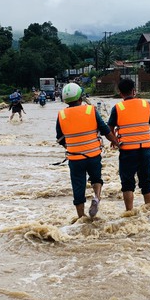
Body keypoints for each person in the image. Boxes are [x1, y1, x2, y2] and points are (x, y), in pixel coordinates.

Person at [56, 82, 118, 219]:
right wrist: (115, 142)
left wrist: (70, 147)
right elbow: (106, 131)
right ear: (80, 97)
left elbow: (60, 138)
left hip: (75, 158)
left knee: (78, 186)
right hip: (93, 155)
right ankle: (96, 197)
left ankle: (81, 218)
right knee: (96, 179)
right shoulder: (91, 110)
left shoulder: (61, 115)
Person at [108, 78, 150, 211]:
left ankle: (129, 212)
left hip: (127, 151)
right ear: (134, 91)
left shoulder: (117, 108)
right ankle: (149, 211)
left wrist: (114, 140)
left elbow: (109, 128)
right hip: (145, 150)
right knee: (146, 183)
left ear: (120, 93)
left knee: (127, 184)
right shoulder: (145, 104)